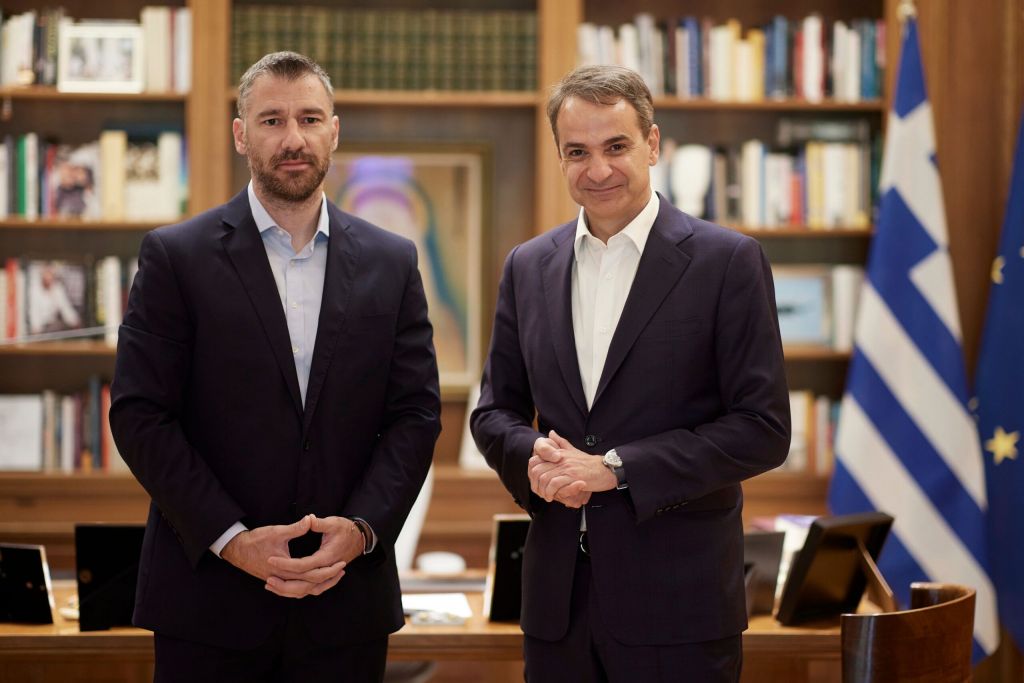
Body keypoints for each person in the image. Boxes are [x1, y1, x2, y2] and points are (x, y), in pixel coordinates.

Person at [109, 51, 441, 683]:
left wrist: (362, 530)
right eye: (272, 120)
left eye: (310, 119)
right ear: (241, 134)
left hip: (345, 601)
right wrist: (233, 539)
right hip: (208, 603)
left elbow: (416, 415)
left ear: (333, 132)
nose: (294, 138)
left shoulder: (392, 261)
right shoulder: (176, 257)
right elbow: (139, 415)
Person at [470, 65, 791, 682]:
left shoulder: (728, 261)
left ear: (652, 144)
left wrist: (615, 470)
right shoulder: (527, 266)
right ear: (559, 157)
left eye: (615, 146)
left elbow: (762, 428)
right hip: (557, 607)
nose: (598, 171)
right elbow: (493, 413)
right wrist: (536, 458)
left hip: (681, 608)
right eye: (577, 152)